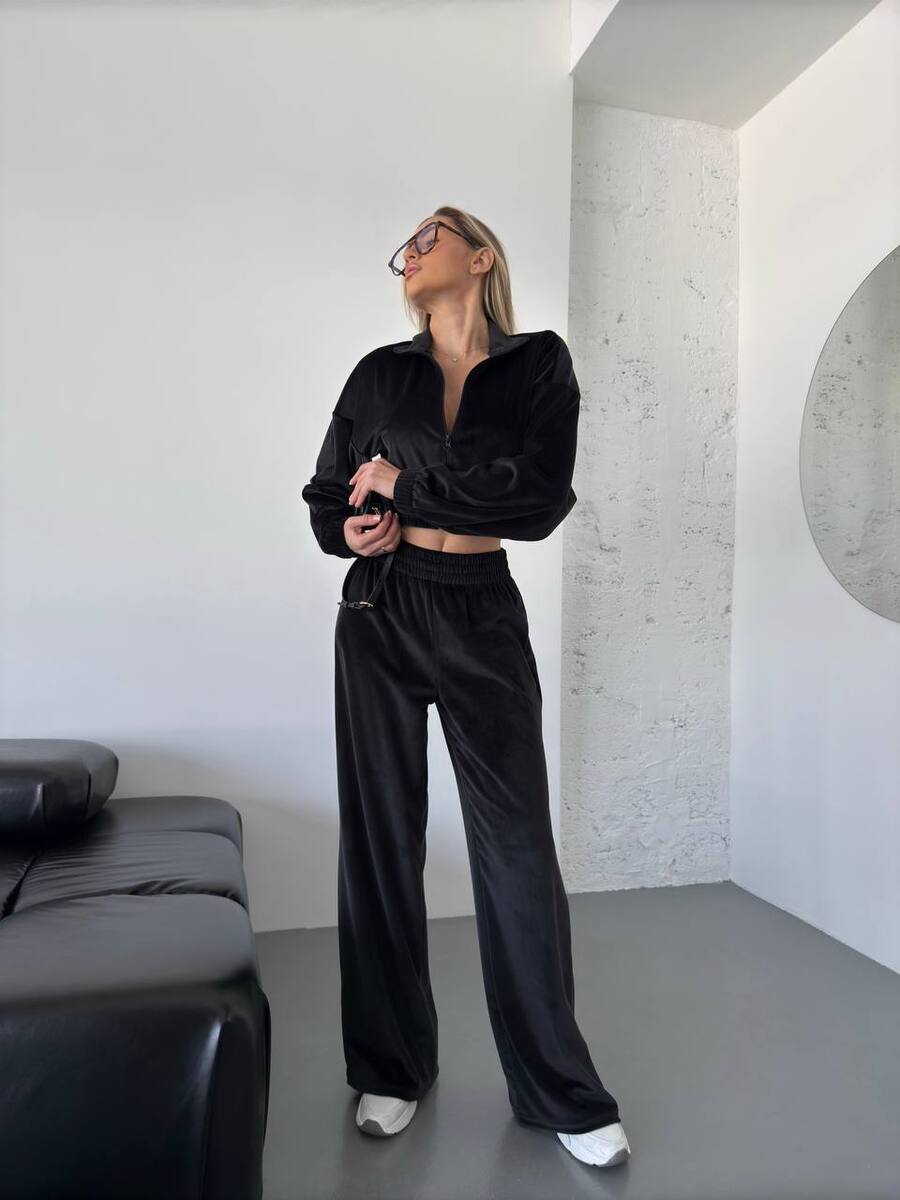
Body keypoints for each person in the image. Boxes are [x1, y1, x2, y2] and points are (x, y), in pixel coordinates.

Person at [301, 207, 631, 1169]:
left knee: (517, 847)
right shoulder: (378, 373)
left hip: (483, 609)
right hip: (382, 606)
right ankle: (392, 1066)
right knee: (380, 840)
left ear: (480, 256)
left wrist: (404, 485)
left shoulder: (538, 365)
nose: (410, 253)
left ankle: (559, 1090)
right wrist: (350, 528)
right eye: (403, 249)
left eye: (429, 236)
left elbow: (538, 499)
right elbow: (327, 494)